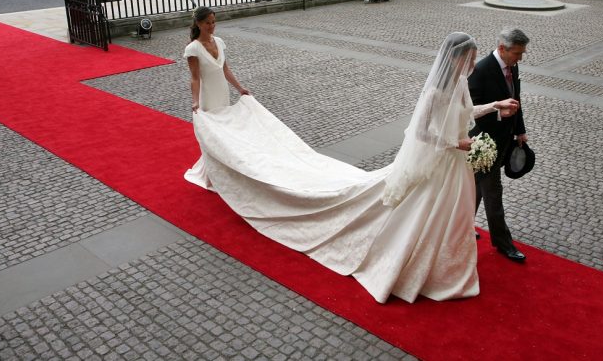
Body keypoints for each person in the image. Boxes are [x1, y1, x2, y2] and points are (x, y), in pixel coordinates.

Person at [185, 32, 518, 303]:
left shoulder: (460, 85)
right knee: (427, 214)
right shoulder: (434, 90)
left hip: (455, 165)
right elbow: (423, 132)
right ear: (456, 58)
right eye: (469, 58)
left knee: (452, 216)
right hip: (441, 162)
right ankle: (429, 268)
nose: (473, 63)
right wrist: (456, 144)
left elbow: (465, 115)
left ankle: (452, 265)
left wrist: (495, 106)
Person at [468, 28, 530, 263]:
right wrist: (498, 113)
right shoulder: (480, 70)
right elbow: (469, 111)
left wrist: (520, 130)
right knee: (493, 194)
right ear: (503, 48)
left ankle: (460, 226)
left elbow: (516, 101)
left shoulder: (512, 66)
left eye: (522, 54)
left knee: (474, 189)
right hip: (484, 144)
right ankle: (504, 244)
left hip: (505, 139)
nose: (520, 58)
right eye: (517, 53)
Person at [184, 7, 250, 190]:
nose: (212, 26)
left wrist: (240, 88)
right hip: (208, 96)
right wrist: (195, 101)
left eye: (214, 22)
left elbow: (225, 69)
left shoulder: (219, 42)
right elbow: (195, 78)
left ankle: (224, 171)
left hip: (222, 93)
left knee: (224, 134)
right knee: (212, 137)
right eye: (208, 23)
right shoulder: (193, 49)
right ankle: (211, 175)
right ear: (198, 24)